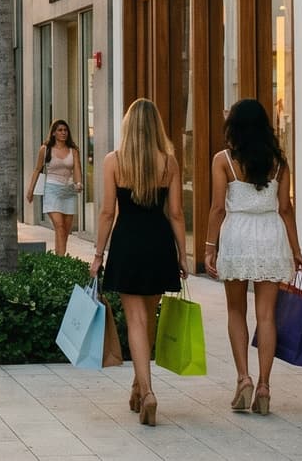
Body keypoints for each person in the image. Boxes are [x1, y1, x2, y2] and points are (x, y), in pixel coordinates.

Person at [206, 98, 302, 416]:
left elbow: (218, 207)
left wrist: (209, 246)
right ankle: (264, 385)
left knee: (236, 310)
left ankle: (243, 378)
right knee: (267, 316)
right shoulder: (279, 161)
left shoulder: (224, 160)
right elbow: (286, 209)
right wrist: (296, 250)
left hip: (237, 234)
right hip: (270, 233)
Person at [91, 98, 187, 427]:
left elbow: (107, 213)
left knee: (135, 322)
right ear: (156, 127)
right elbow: (175, 213)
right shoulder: (169, 163)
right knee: (149, 318)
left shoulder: (113, 161)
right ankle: (139, 387)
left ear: (128, 127)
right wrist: (183, 255)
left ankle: (146, 392)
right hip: (159, 244)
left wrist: (97, 254)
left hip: (128, 243)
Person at [26, 120, 82, 256]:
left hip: (69, 192)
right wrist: (30, 190)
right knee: (59, 226)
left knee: (65, 230)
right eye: (60, 130)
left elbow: (77, 169)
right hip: (52, 190)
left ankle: (59, 257)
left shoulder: (73, 150)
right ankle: (62, 261)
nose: (63, 133)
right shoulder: (45, 149)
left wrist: (79, 183)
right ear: (53, 133)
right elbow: (37, 169)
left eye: (65, 130)